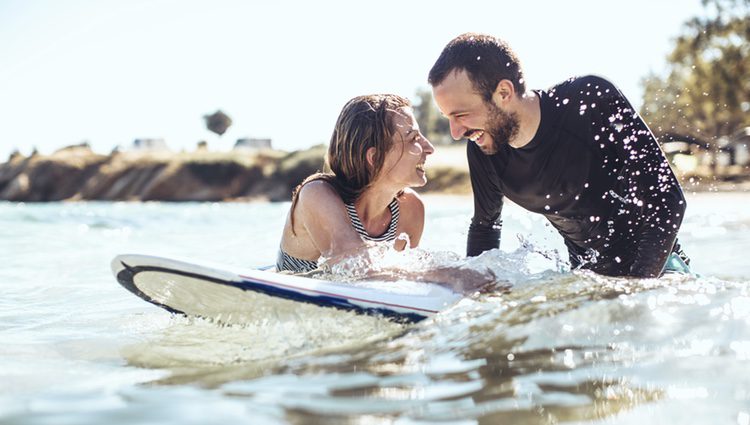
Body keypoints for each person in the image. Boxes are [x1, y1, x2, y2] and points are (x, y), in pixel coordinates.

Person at [428, 33, 690, 278]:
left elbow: (668, 200)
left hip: (660, 269)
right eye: (447, 117)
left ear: (504, 93)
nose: (455, 132)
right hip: (587, 278)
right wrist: (474, 294)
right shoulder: (485, 150)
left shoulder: (587, 100)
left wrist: (638, 286)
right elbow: (486, 228)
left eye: (460, 115)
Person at [277, 94, 434, 273]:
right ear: (375, 158)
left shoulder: (411, 209)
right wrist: (450, 276)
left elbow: (402, 285)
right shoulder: (317, 194)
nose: (429, 148)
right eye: (414, 138)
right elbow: (354, 265)